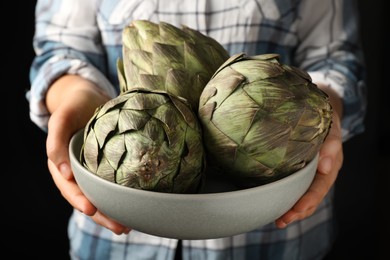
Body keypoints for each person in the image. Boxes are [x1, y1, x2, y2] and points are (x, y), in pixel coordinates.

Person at [27, 0, 366, 259]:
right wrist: (75, 96)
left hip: (276, 238)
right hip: (119, 244)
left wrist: (322, 115)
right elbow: (61, 50)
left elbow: (335, 56)